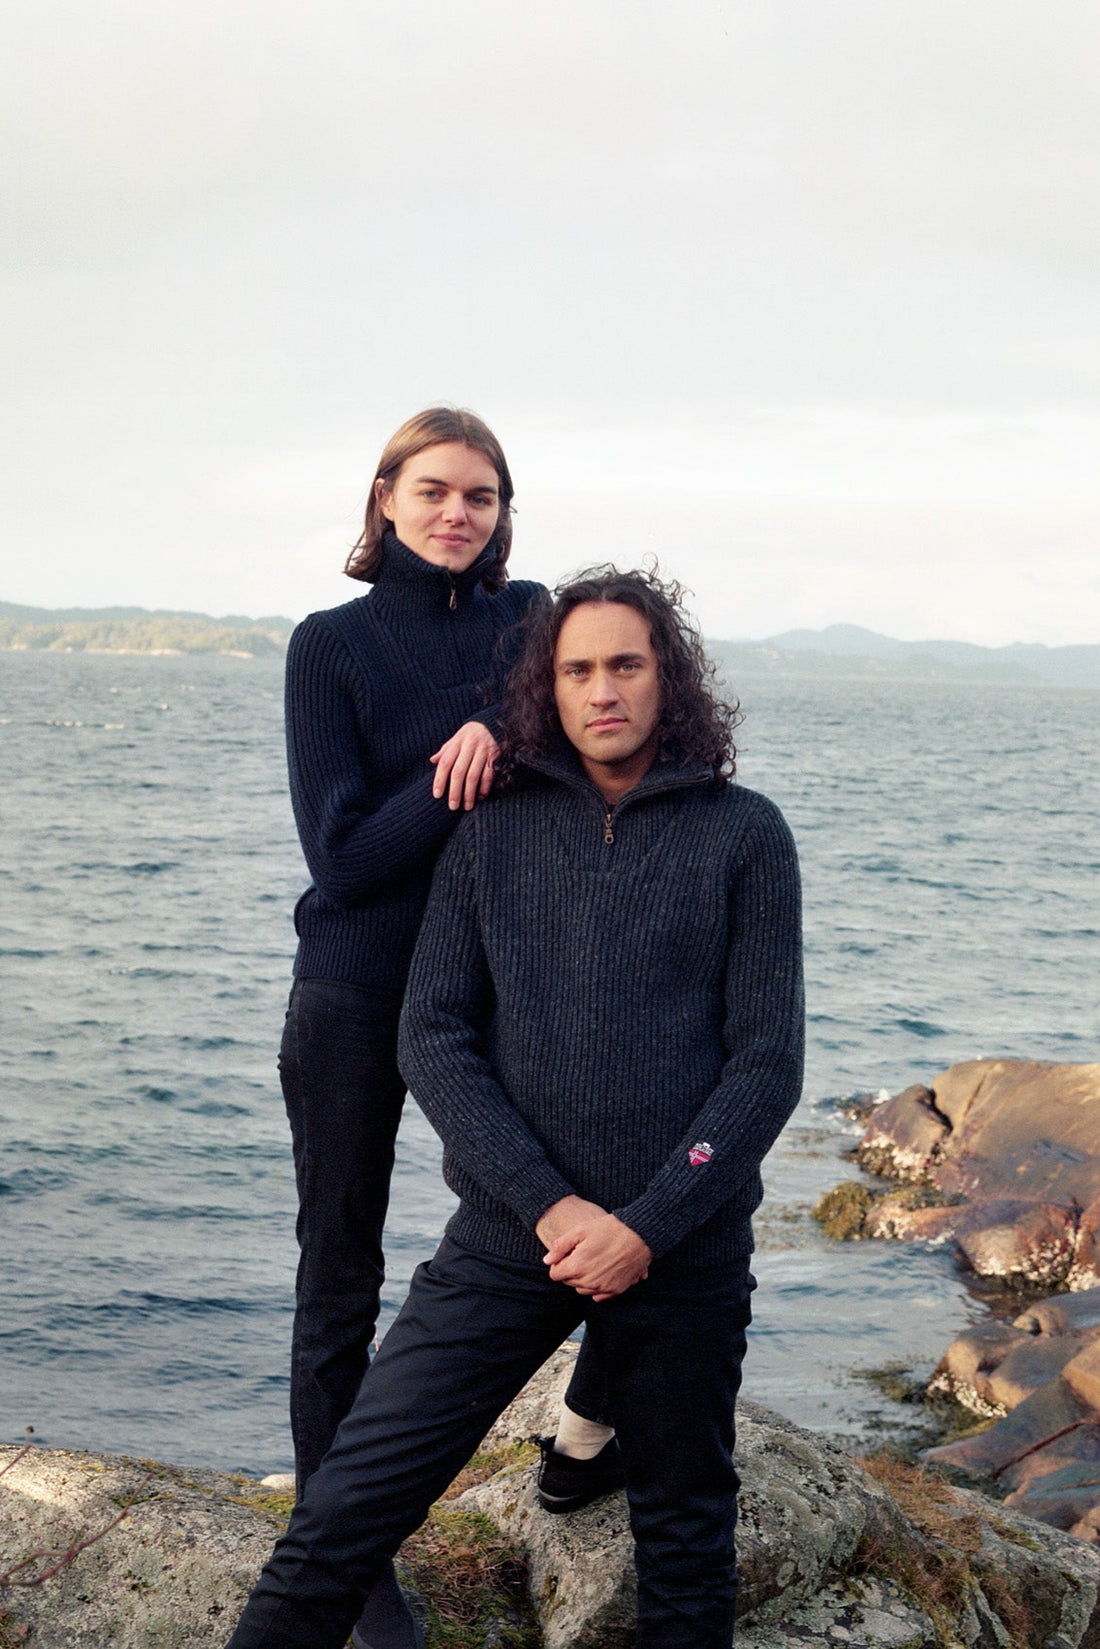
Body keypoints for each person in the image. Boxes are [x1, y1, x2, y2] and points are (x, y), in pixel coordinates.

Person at [229, 566, 804, 1649]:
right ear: (546, 686)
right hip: (506, 1241)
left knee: (684, 1540)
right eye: (575, 668)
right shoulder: (489, 832)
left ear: (665, 677)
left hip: (676, 1250)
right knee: (337, 1520)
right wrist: (552, 1208)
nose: (601, 690)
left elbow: (765, 1065)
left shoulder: (745, 835)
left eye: (624, 663)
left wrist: (644, 1224)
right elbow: (431, 1036)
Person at [279, 406, 550, 1648]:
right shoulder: (326, 646)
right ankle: (345, 1558)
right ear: (383, 497)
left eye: (480, 496)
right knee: (340, 1270)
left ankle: (590, 1427)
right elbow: (339, 859)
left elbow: (575, 751)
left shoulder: (527, 624)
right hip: (351, 990)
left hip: (489, 991)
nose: (457, 512)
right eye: (434, 489)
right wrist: (461, 769)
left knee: (552, 1217)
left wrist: (505, 728)